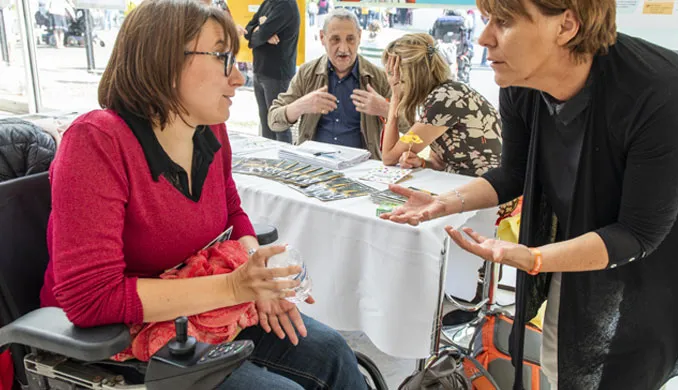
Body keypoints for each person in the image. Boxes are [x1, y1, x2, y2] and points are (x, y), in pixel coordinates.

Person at [380, 0, 678, 389]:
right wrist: (448, 202)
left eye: (503, 22)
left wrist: (533, 257)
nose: (484, 37)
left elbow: (639, 233)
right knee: (562, 355)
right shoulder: (520, 84)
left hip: (667, 246)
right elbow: (514, 173)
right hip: (584, 228)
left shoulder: (664, 92)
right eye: (486, 20)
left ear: (566, 25)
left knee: (631, 361)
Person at [38, 1, 368, 389]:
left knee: (333, 353)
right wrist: (235, 286)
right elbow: (90, 298)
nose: (239, 78)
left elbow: (231, 212)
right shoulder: (97, 142)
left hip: (205, 310)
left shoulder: (209, 130)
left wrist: (256, 278)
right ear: (164, 58)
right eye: (222, 57)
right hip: (121, 338)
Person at [268, 9, 407, 158]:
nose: (343, 48)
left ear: (359, 37)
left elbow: (413, 127)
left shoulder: (378, 78)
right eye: (335, 39)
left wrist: (386, 109)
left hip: (362, 167)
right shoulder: (307, 73)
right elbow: (273, 121)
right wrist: (301, 105)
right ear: (322, 38)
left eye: (350, 39)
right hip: (313, 163)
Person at [380, 33, 502, 177]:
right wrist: (421, 162)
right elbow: (438, 163)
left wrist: (395, 97)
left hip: (484, 188)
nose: (393, 80)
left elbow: (388, 157)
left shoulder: (442, 101)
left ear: (409, 76)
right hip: (472, 183)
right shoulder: (446, 92)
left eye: (393, 74)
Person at [244, 0, 300, 143]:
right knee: (265, 124)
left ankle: (283, 163)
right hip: (260, 71)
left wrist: (260, 30)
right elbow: (247, 30)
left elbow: (259, 34)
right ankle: (269, 160)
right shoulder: (268, 2)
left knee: (279, 125)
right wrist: (260, 29)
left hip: (277, 75)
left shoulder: (286, 5)